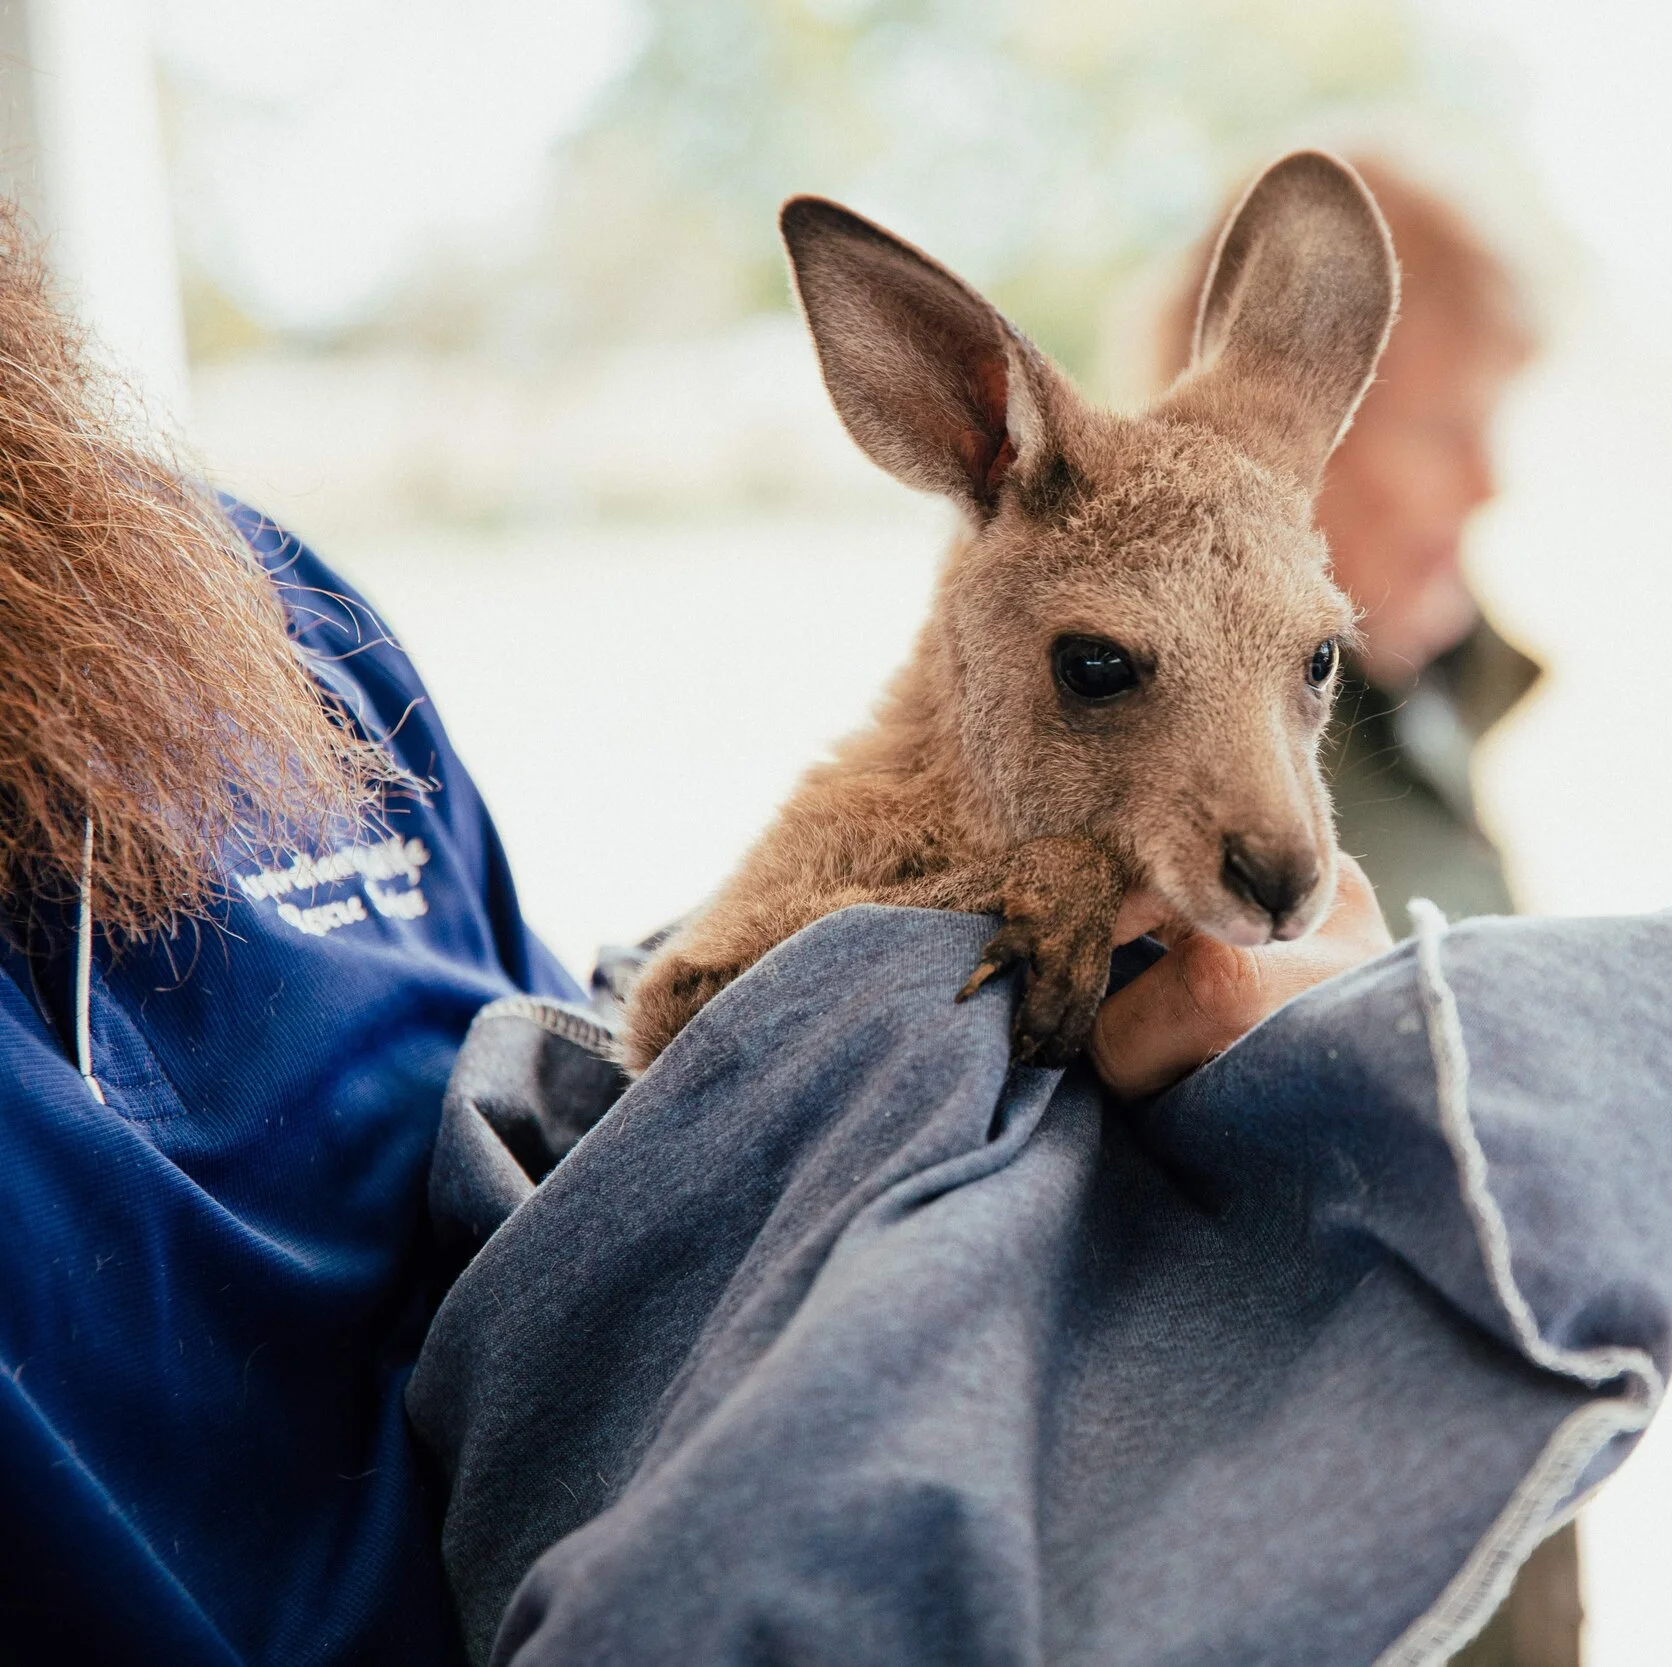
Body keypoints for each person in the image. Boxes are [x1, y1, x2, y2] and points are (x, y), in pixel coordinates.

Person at [0, 205, 1388, 1659]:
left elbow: (594, 1069)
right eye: (1105, 668)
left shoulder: (230, 611)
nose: (1287, 826)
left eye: (1315, 667)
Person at [1158, 154, 1569, 1667]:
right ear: (1290, 423)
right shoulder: (1193, 805)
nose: (1489, 483)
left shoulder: (1405, 707)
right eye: (1449, 428)